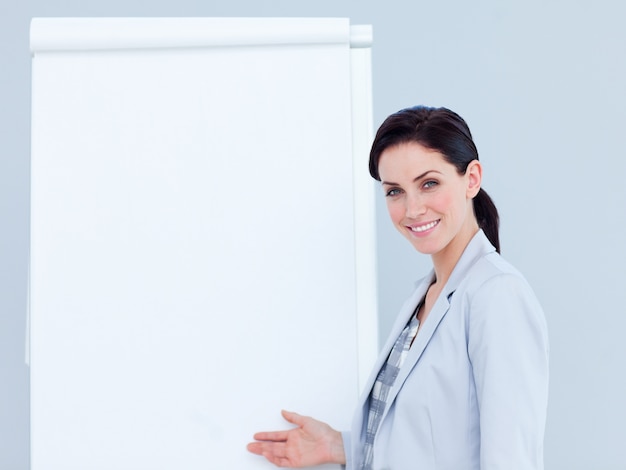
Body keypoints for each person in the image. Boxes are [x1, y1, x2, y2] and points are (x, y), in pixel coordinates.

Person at [247, 106, 549, 470]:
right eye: (394, 191)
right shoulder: (423, 297)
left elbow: (511, 459)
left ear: (472, 179)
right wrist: (341, 446)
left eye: (429, 184)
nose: (412, 209)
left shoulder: (497, 295)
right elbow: (430, 440)